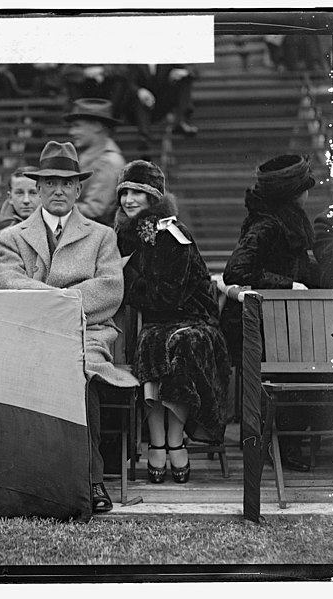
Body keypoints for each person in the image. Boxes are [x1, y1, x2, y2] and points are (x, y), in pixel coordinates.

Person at [0, 141, 138, 513]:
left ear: (78, 189)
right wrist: (59, 300)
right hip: (32, 332)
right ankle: (29, 479)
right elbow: (6, 281)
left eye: (67, 183)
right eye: (50, 183)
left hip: (86, 333)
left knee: (80, 370)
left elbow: (109, 289)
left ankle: (91, 480)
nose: (58, 190)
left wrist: (54, 302)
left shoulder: (102, 236)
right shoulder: (11, 237)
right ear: (37, 189)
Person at [114, 160, 230, 485]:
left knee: (176, 343)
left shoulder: (173, 232)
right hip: (156, 323)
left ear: (153, 197)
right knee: (151, 341)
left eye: (138, 192)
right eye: (125, 192)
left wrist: (128, 278)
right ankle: (156, 439)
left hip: (196, 322)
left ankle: (175, 439)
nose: (129, 199)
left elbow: (167, 296)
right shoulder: (126, 233)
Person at [220, 154, 323, 472]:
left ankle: (290, 440)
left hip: (287, 323)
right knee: (299, 365)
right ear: (294, 193)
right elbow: (235, 272)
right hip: (255, 327)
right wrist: (288, 285)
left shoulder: (290, 218)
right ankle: (283, 443)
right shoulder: (266, 223)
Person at [65, 98, 126, 227]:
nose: (72, 132)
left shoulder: (108, 162)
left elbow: (95, 210)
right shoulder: (89, 157)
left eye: (77, 126)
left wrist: (53, 207)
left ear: (97, 126)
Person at [114, 63, 199, 147]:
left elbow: (193, 70)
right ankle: (144, 136)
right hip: (136, 109)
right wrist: (139, 91)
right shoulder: (133, 61)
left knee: (184, 79)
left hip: (160, 105)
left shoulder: (167, 59)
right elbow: (126, 80)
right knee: (139, 99)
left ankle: (181, 121)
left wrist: (183, 72)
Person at [0, 166, 41, 233]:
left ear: (43, 195)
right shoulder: (0, 238)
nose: (26, 200)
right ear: (10, 197)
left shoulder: (55, 234)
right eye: (19, 193)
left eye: (33, 193)